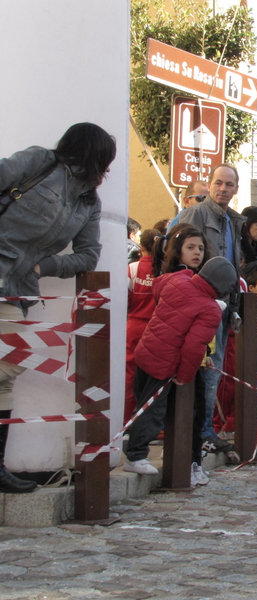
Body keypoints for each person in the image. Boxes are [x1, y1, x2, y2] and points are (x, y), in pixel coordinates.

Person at [0, 122, 116, 493]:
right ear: (89, 154)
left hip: (17, 290)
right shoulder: (40, 163)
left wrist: (44, 267)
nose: (107, 170)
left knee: (6, 373)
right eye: (104, 160)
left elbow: (88, 255)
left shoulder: (89, 203)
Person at [125, 256, 238, 483]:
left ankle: (130, 440)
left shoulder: (177, 281)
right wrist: (185, 376)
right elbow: (194, 347)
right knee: (153, 411)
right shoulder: (209, 309)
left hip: (146, 349)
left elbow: (158, 286)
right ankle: (136, 456)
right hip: (165, 363)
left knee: (141, 402)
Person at [177, 164, 245, 450]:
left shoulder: (234, 221)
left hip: (223, 304)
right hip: (199, 303)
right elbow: (172, 251)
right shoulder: (195, 213)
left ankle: (204, 429)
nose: (223, 189)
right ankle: (197, 431)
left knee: (213, 368)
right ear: (210, 184)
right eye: (218, 183)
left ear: (235, 189)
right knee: (199, 367)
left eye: (229, 185)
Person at [125, 229, 160, 421]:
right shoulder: (164, 270)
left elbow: (124, 300)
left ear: (141, 246)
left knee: (130, 372)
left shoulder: (132, 269)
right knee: (155, 375)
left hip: (134, 326)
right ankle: (151, 420)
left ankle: (126, 418)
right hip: (157, 329)